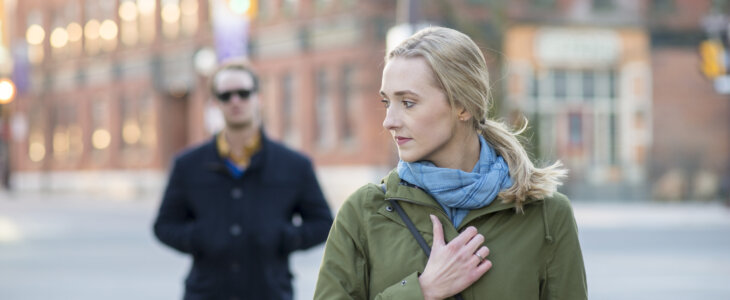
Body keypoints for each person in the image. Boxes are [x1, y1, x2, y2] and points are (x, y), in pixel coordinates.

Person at [314, 27, 587, 299]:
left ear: (463, 106)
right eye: (387, 102)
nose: (389, 121)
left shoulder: (546, 215)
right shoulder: (362, 213)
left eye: (408, 103)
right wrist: (424, 291)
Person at [153, 59, 333, 300]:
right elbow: (164, 225)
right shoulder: (188, 165)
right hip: (206, 292)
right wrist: (201, 238)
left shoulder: (294, 164)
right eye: (226, 95)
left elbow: (322, 223)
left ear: (258, 97)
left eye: (243, 93)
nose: (235, 101)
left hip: (270, 292)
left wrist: (282, 237)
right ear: (215, 102)